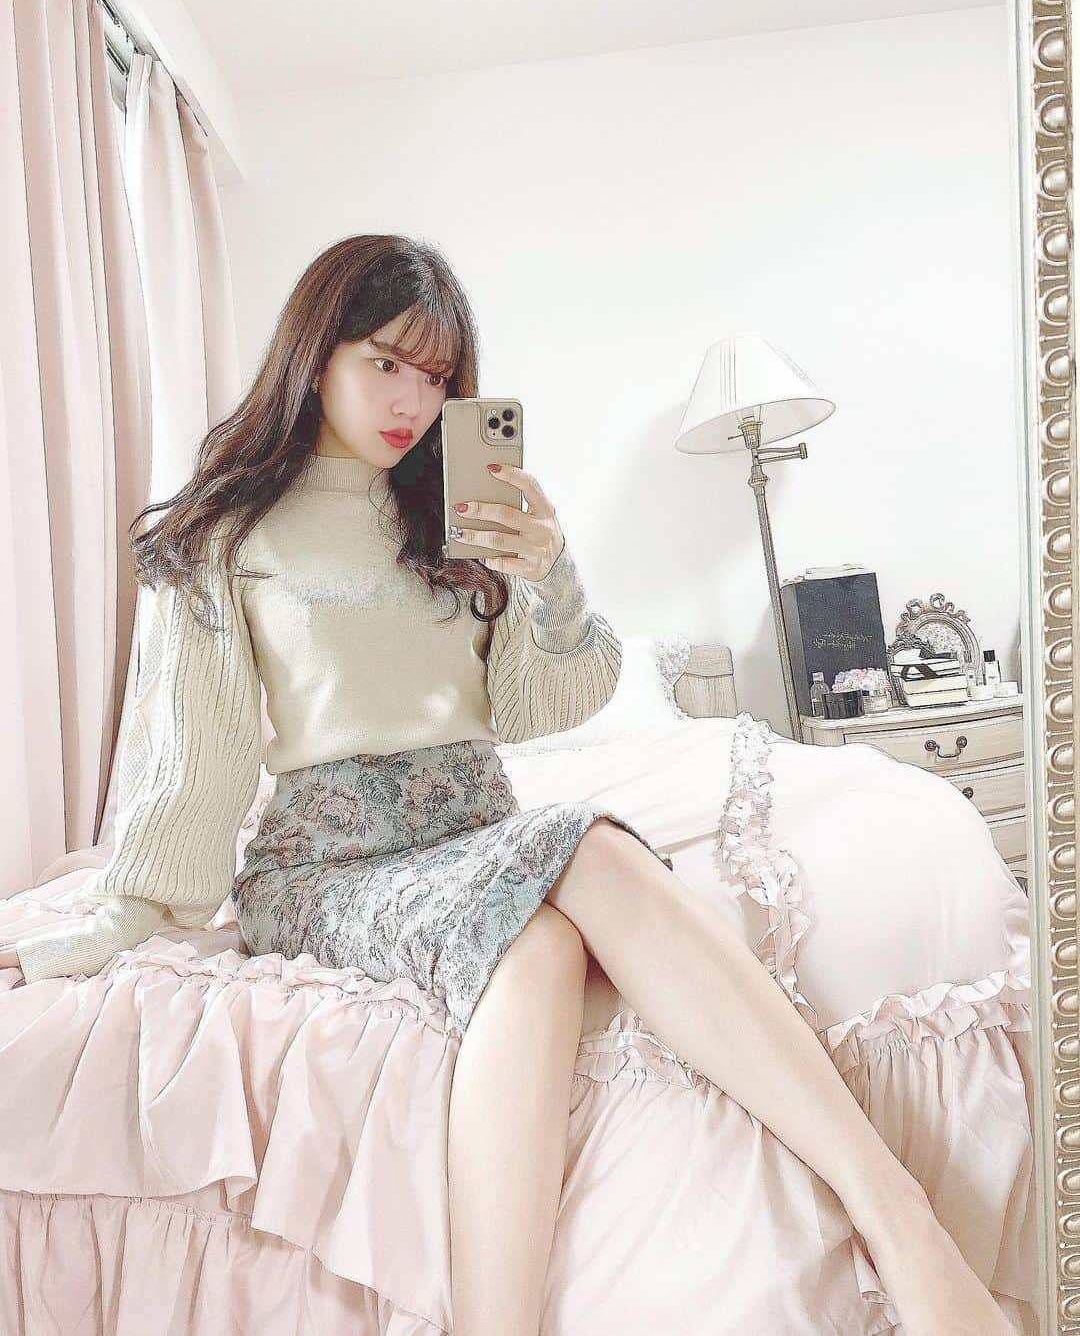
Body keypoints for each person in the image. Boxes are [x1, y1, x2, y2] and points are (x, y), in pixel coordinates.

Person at [1, 234, 1013, 1336]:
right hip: (328, 865)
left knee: (538, 944)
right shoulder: (225, 534)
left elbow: (540, 709)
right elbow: (192, 761)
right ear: (315, 354)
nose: (412, 399)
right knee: (588, 852)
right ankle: (898, 1220)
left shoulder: (454, 517)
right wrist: (113, 918)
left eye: (436, 377)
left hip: (477, 831)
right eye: (385, 362)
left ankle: (884, 1220)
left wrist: (553, 580)